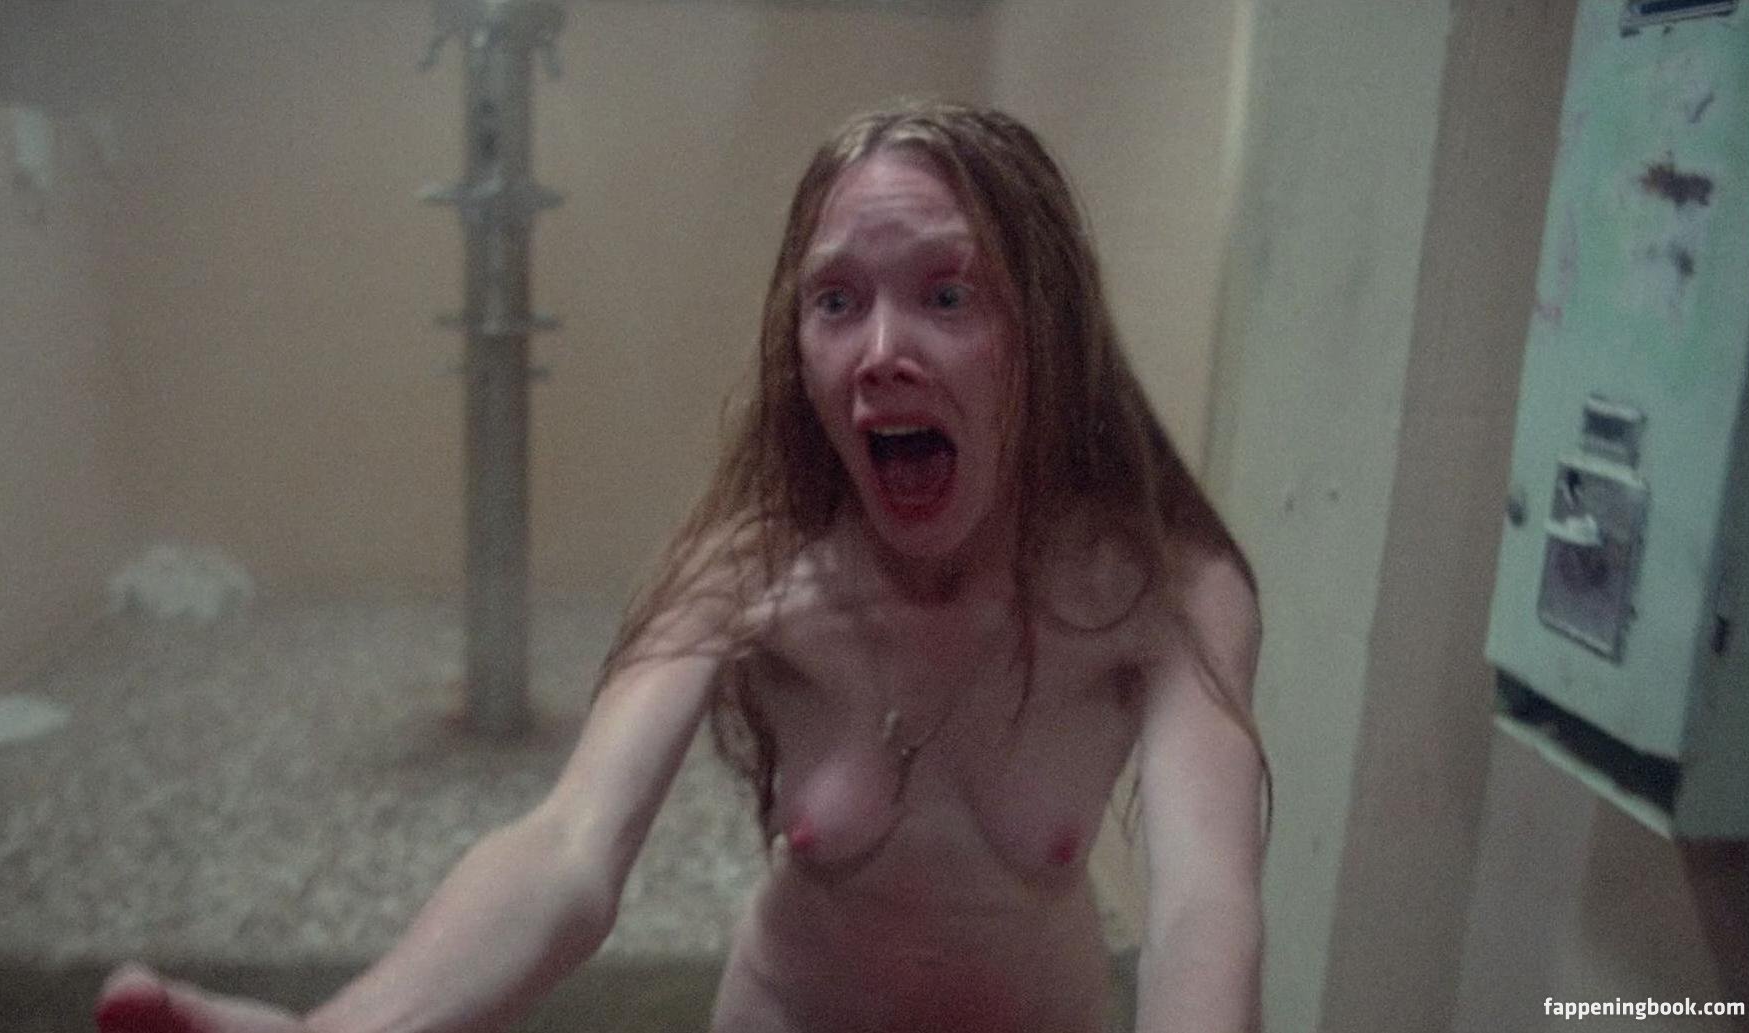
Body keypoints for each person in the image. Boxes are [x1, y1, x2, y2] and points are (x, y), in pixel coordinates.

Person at [95, 99, 1269, 1033]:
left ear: (1049, 329)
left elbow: (1203, 907)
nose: (880, 353)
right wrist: (345, 1029)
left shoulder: (1162, 589)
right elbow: (567, 850)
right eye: (836, 300)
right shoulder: (752, 570)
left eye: (949, 294)